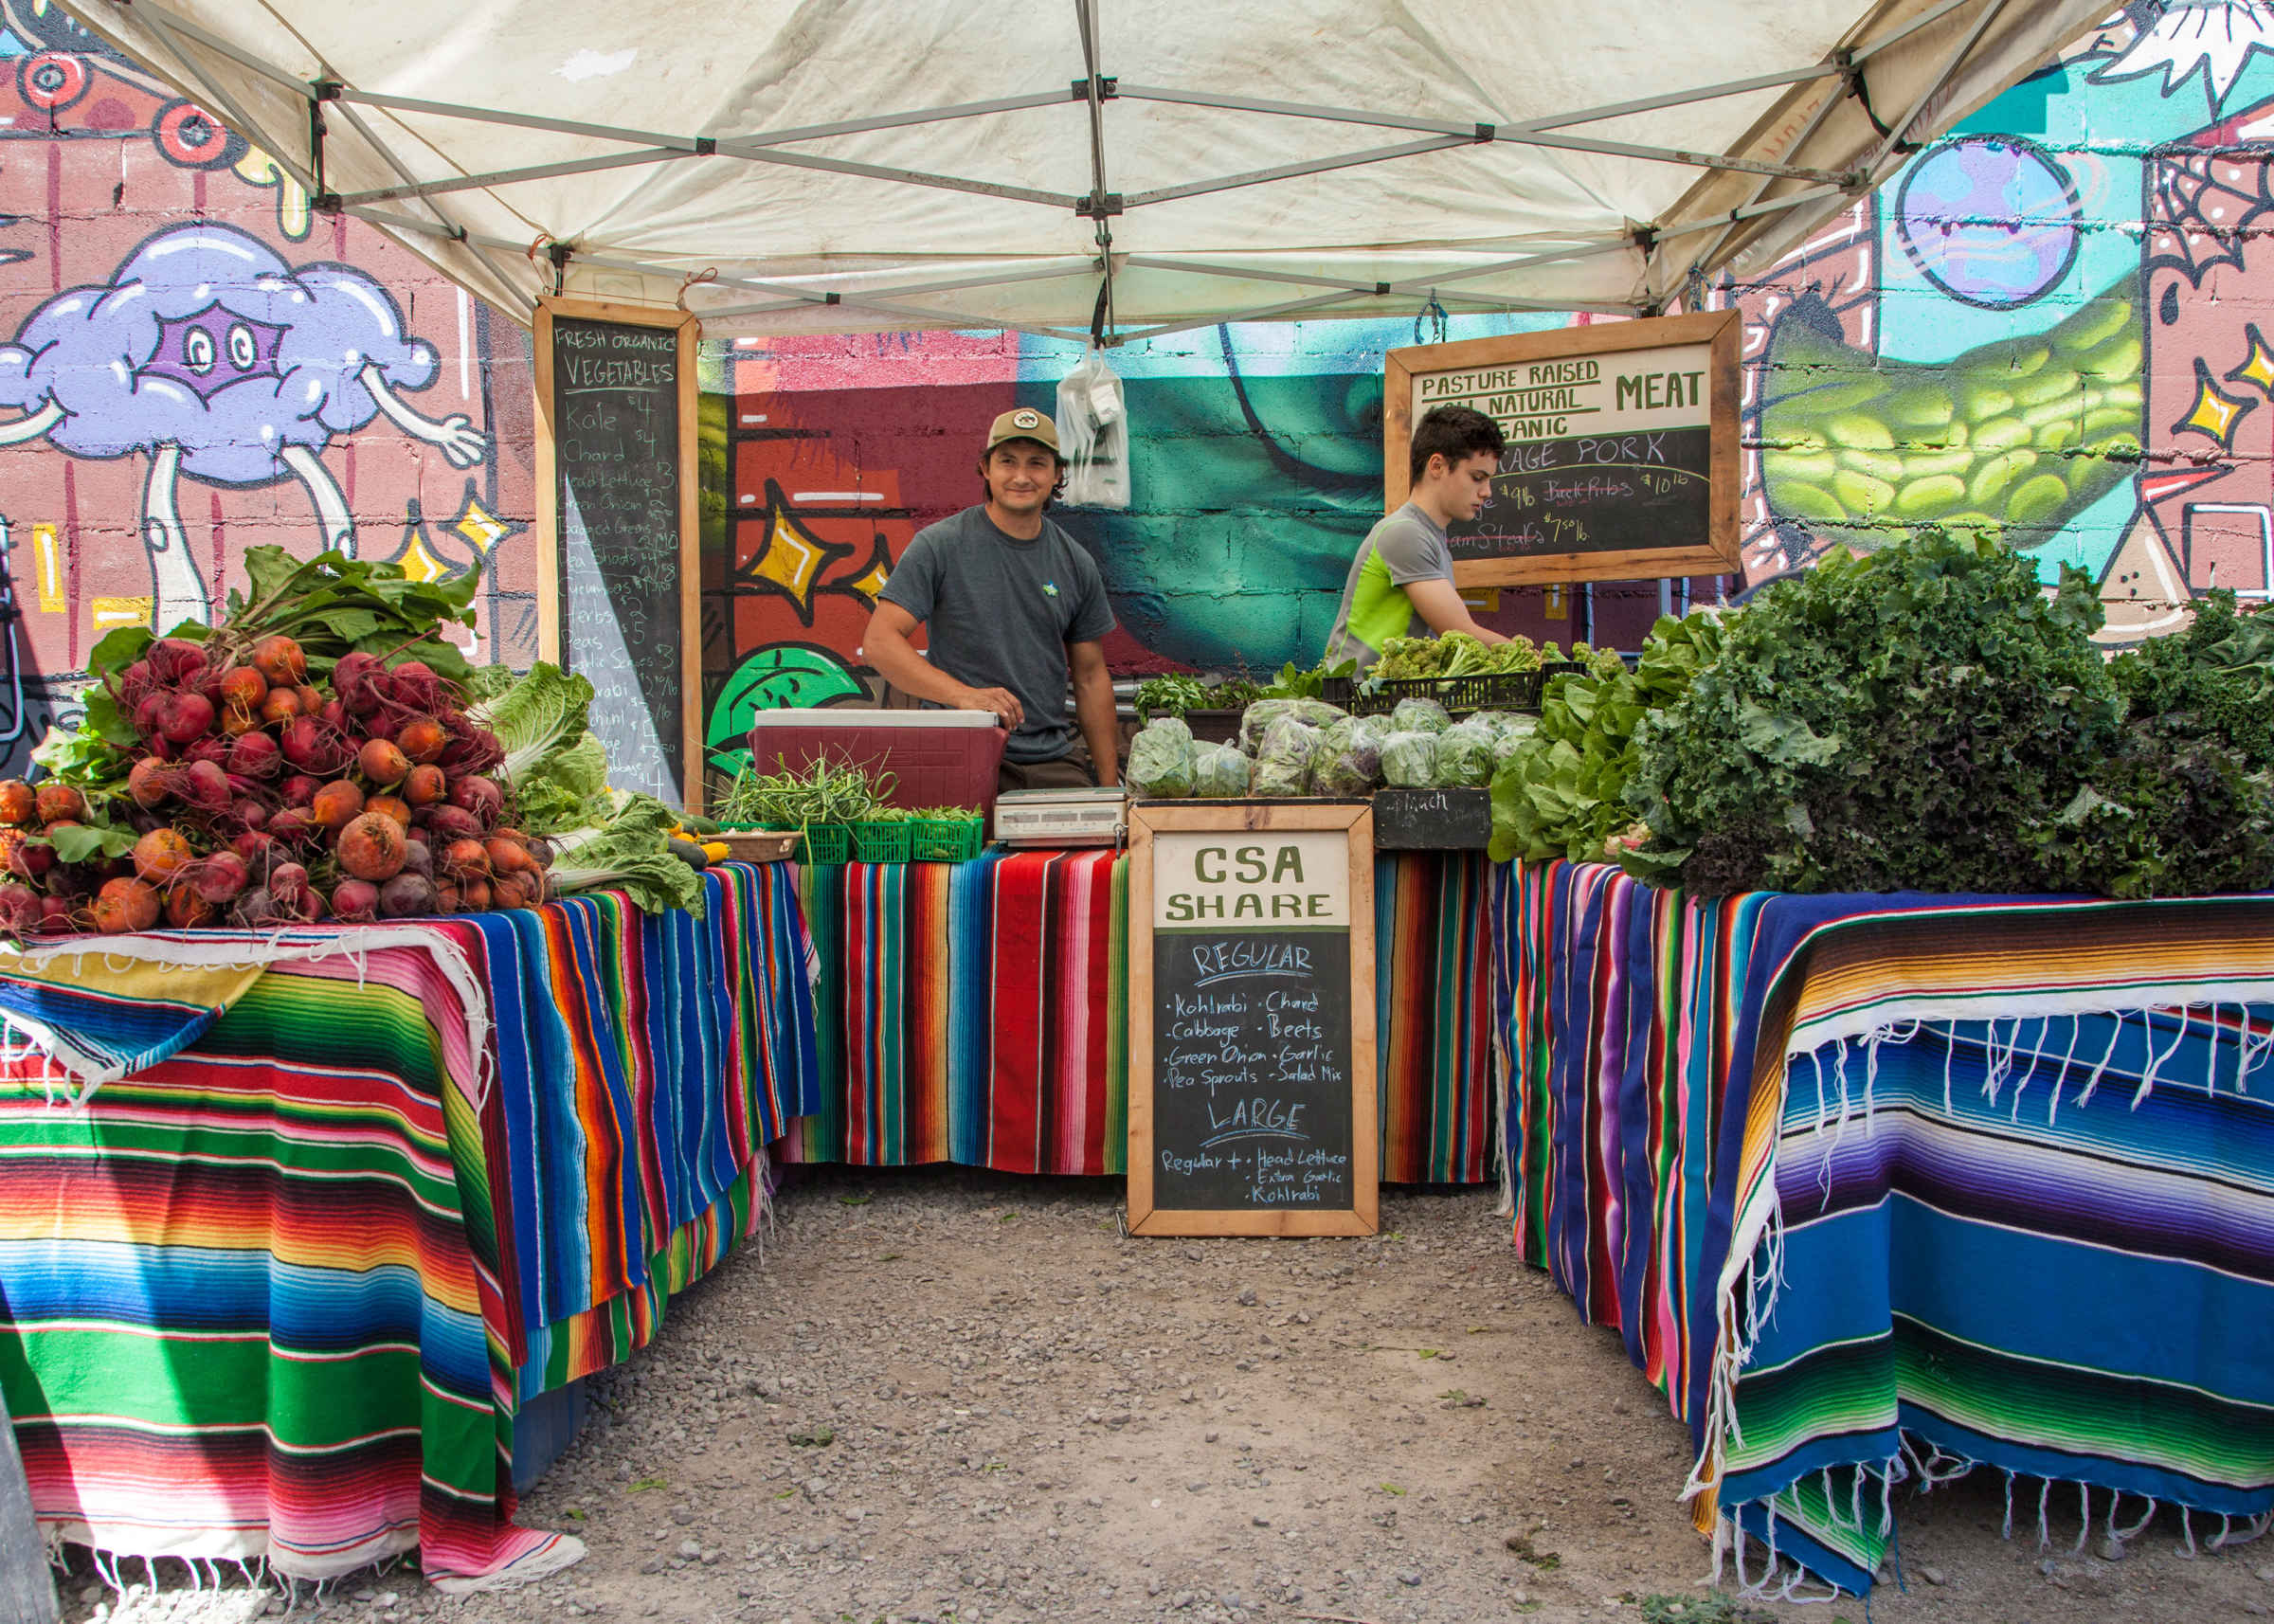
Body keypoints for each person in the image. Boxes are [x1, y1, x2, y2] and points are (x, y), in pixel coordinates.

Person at [865, 407, 1122, 792]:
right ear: (985, 469)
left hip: (1050, 761)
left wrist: (1108, 789)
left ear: (1057, 475)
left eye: (1037, 464)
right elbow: (880, 642)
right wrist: (964, 697)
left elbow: (1089, 677)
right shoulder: (940, 545)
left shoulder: (1075, 561)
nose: (1021, 476)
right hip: (960, 752)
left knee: (1085, 850)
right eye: (1007, 462)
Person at [1324, 404, 1512, 674]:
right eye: (1477, 478)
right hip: (1359, 701)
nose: (1487, 492)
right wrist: (1536, 660)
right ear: (1437, 466)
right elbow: (1459, 633)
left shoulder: (1429, 536)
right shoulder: (1405, 533)